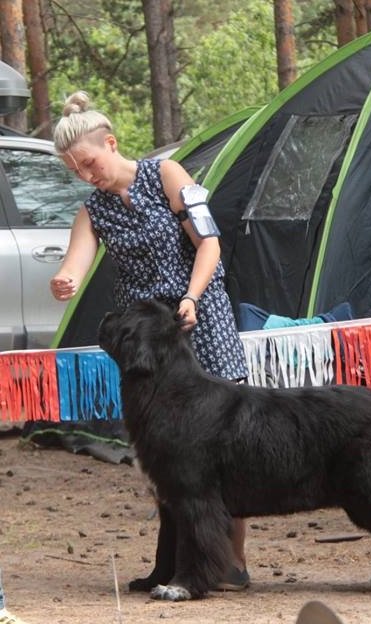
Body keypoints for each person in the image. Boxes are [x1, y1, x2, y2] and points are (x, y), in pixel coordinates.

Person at [49, 91, 250, 591]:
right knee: (167, 450)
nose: (86, 175)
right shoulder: (93, 211)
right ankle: (176, 563)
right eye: (76, 170)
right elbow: (75, 262)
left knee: (226, 446)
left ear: (111, 143)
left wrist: (193, 296)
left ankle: (232, 562)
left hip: (199, 319)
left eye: (89, 163)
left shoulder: (167, 175)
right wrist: (64, 280)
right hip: (148, 342)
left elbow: (209, 242)